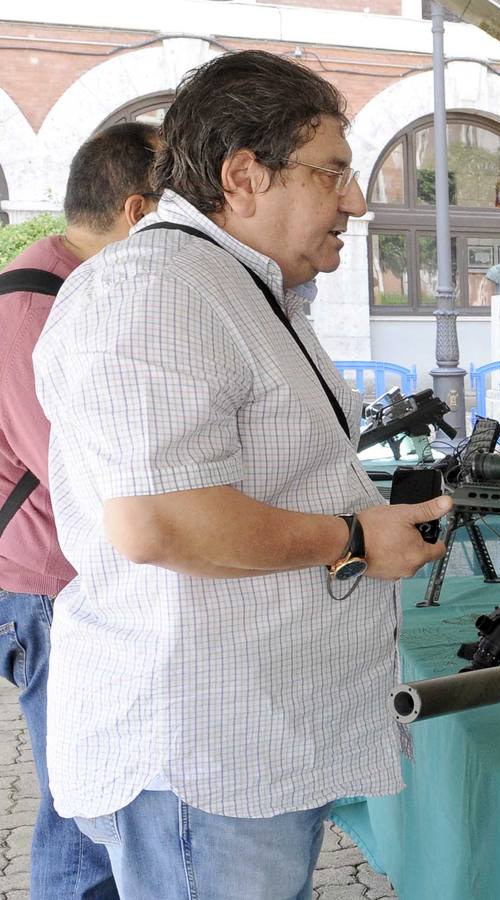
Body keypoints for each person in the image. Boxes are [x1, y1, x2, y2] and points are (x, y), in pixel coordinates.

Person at [32, 50, 451, 898]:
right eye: (332, 171)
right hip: (202, 758)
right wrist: (353, 540)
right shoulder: (157, 290)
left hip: (246, 746)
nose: (356, 200)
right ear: (244, 176)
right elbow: (160, 522)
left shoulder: (228, 288)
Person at [0, 120, 160, 900]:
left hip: (61, 583)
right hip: (46, 591)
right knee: (81, 806)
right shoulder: (37, 300)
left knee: (94, 798)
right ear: (138, 211)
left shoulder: (69, 287)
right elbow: (78, 467)